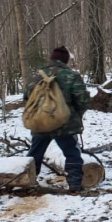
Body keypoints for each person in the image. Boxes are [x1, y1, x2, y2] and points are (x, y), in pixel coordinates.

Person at [25, 46, 91, 192]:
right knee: (72, 154)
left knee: (34, 155)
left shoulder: (37, 76)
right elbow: (83, 100)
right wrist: (76, 115)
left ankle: (26, 184)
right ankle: (75, 186)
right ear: (66, 61)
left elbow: (27, 98)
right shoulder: (72, 76)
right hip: (65, 125)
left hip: (40, 123)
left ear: (52, 58)